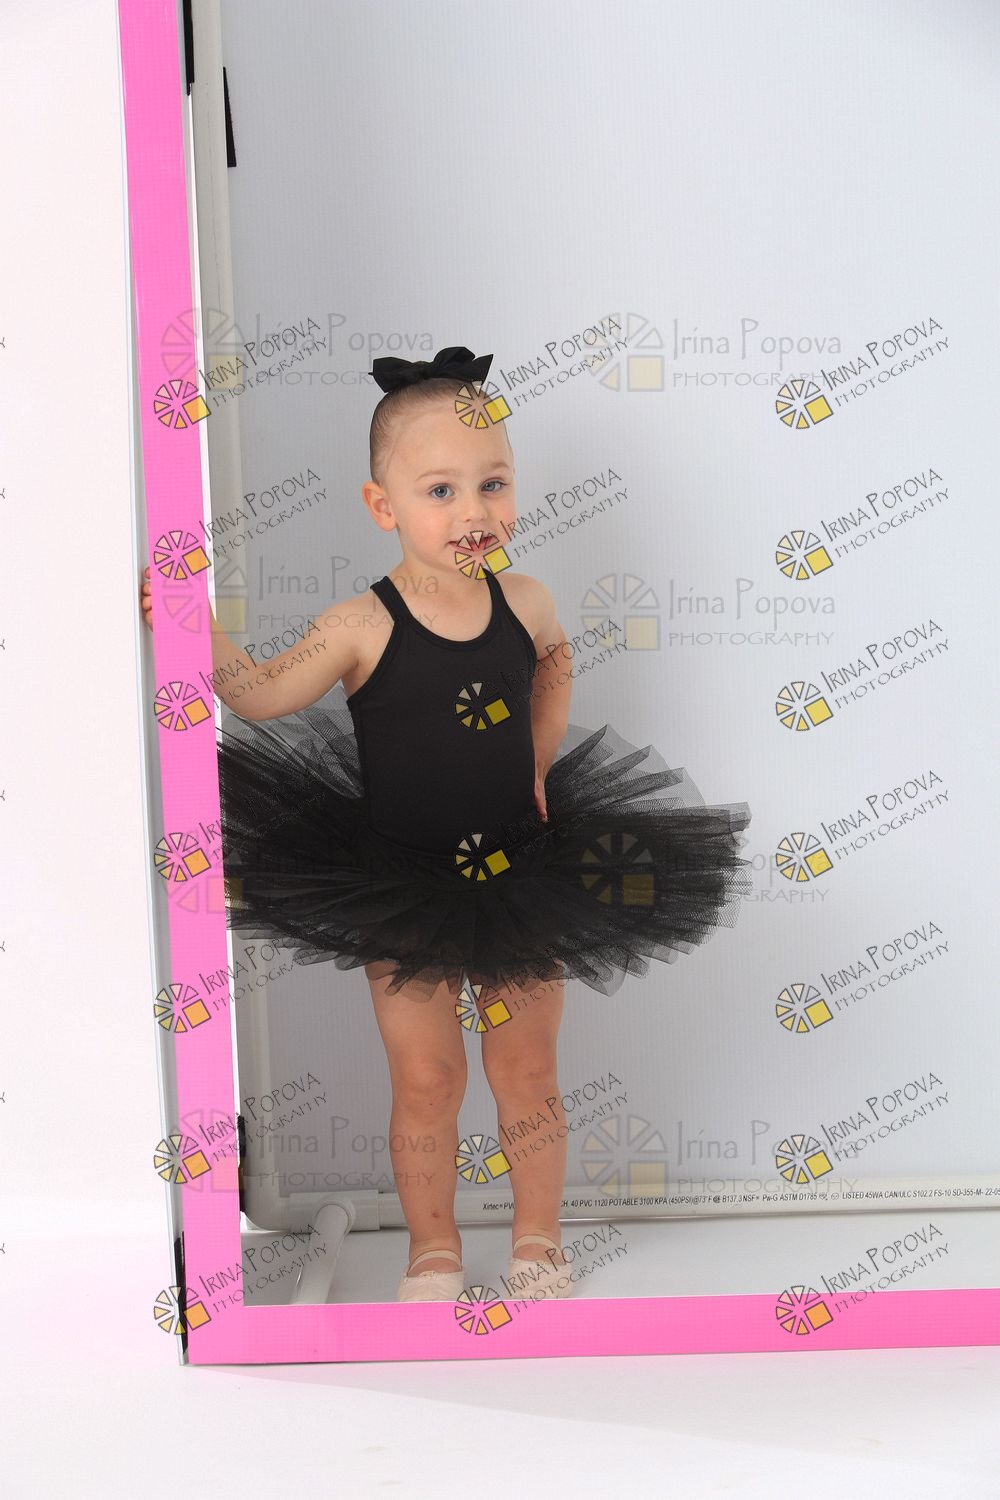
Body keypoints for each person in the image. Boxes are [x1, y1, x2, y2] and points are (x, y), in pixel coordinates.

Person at [141, 344, 753, 1303]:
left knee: (526, 1069)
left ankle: (538, 1239)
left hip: (521, 877)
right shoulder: (360, 624)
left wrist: (539, 760)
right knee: (427, 1078)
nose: (474, 512)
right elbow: (257, 694)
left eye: (492, 484)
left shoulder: (526, 599)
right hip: (402, 883)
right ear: (382, 505)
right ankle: (433, 1247)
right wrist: (193, 625)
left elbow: (553, 660)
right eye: (440, 490)